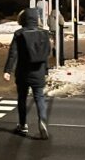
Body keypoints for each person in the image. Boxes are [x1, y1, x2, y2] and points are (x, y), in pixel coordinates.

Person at [3, 7, 52, 139]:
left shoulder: (19, 34)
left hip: (23, 72)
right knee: (39, 97)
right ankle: (42, 120)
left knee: (22, 98)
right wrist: (46, 69)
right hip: (38, 72)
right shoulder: (44, 33)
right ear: (36, 19)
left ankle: (23, 125)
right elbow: (47, 53)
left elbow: (13, 53)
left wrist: (8, 70)